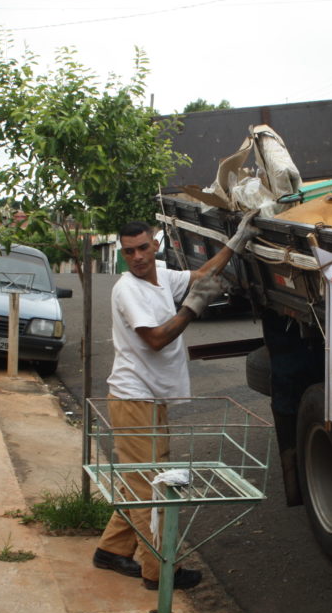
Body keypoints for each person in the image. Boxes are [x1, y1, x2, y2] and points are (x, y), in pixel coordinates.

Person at [93, 212, 257, 591]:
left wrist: (235, 242)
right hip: (134, 397)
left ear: (155, 245)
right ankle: (159, 570)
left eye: (143, 248)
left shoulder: (162, 275)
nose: (137, 257)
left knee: (141, 479)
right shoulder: (127, 290)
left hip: (152, 398)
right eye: (129, 251)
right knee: (150, 487)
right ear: (122, 252)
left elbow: (200, 276)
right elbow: (155, 339)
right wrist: (192, 308)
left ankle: (111, 550)